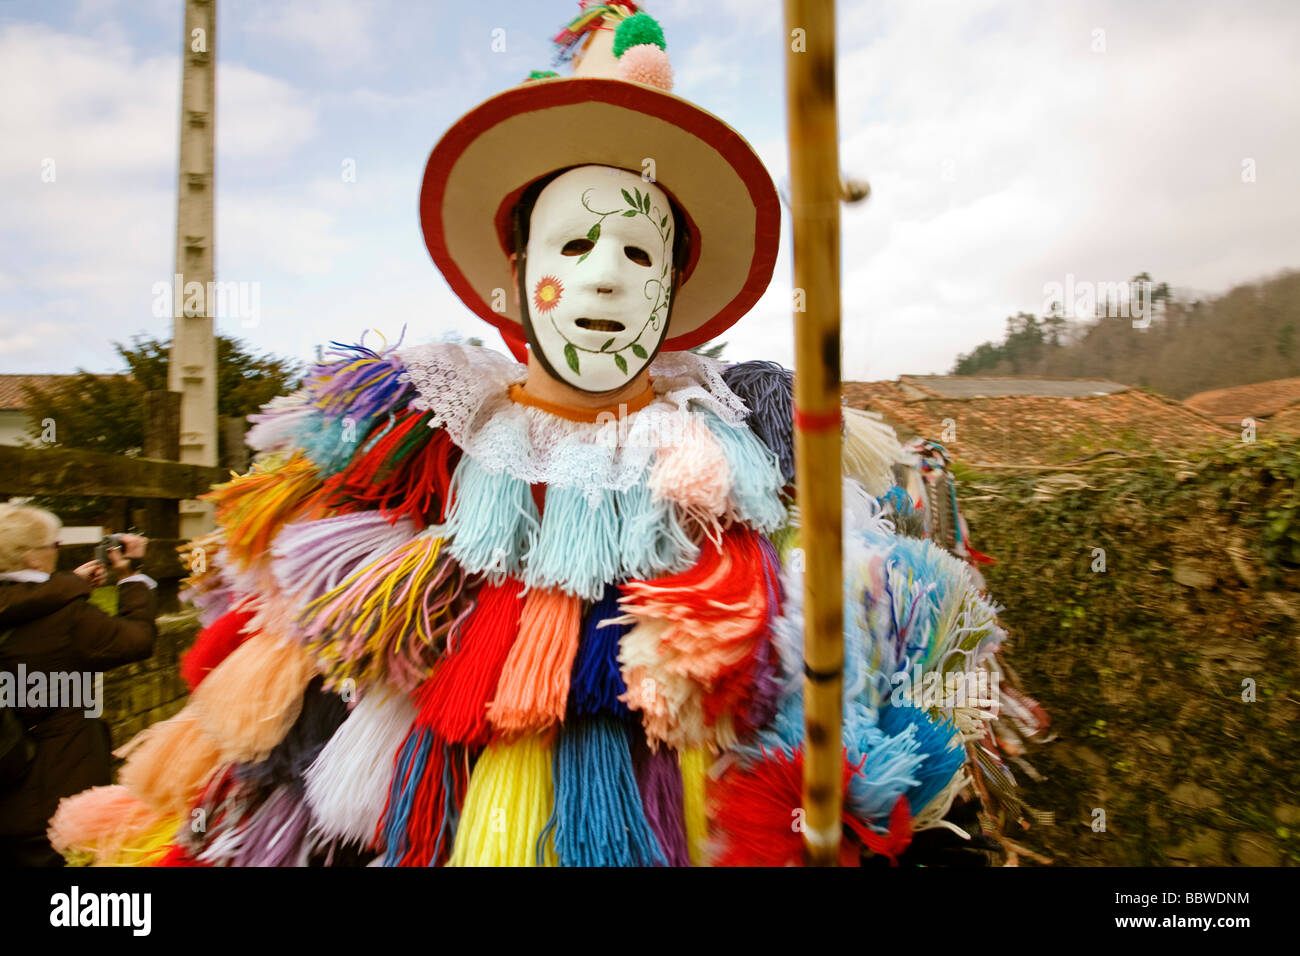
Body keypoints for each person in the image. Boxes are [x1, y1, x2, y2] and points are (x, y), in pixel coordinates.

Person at [54, 2, 1043, 867]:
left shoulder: (732, 442)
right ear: (518, 270)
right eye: (576, 243)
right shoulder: (424, 430)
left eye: (637, 249)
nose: (608, 274)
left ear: (675, 291)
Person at [0, 503, 155, 866]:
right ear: (32, 558)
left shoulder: (41, 605)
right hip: (55, 800)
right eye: (54, 545)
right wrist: (132, 576)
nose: (58, 551)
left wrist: (65, 584)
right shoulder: (68, 617)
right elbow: (137, 640)